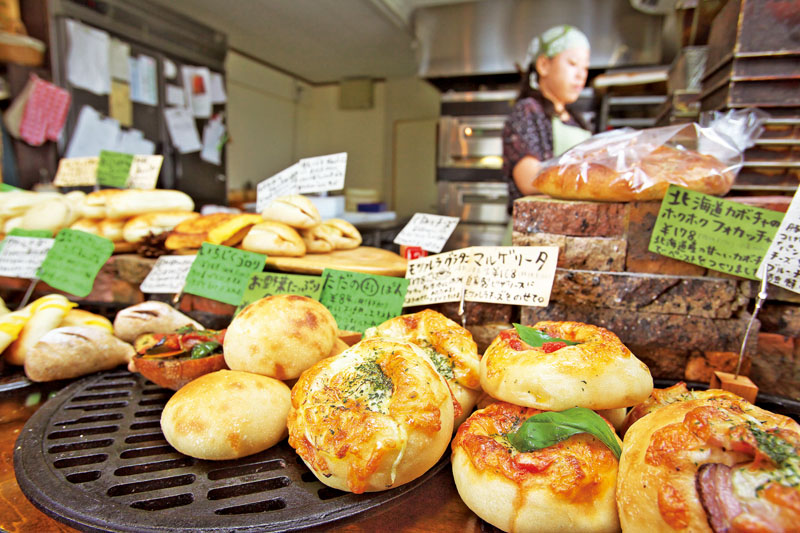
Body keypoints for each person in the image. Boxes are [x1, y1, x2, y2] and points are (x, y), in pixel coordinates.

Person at [502, 25, 592, 242]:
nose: (581, 75)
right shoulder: (529, 110)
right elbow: (529, 178)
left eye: (586, 68)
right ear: (543, 64)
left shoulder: (576, 119)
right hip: (533, 234)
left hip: (570, 232)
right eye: (572, 64)